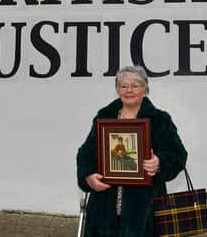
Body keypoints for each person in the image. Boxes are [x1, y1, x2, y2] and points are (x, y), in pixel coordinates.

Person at [76, 66, 188, 237]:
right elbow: (85, 153)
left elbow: (179, 155)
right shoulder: (104, 117)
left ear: (145, 90)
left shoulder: (159, 120)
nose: (129, 90)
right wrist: (88, 177)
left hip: (145, 210)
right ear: (117, 90)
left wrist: (160, 163)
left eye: (135, 86)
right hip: (104, 208)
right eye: (123, 86)